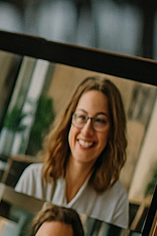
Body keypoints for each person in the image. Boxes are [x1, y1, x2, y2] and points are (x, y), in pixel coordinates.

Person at [15, 76, 130, 228]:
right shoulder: (33, 178)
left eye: (100, 120)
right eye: (81, 117)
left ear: (112, 132)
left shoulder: (116, 199)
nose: (87, 130)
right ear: (69, 121)